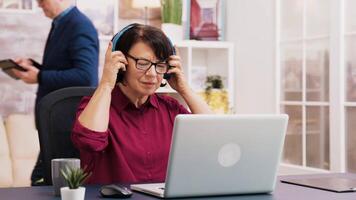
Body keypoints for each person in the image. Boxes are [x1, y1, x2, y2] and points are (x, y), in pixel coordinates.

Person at [71, 24, 212, 184]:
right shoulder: (96, 106)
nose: (152, 74)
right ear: (121, 62)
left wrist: (184, 88)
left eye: (160, 65)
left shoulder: (170, 109)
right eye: (143, 63)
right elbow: (90, 143)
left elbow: (213, 138)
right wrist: (106, 83)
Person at [13, 0, 99, 185]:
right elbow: (63, 68)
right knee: (42, 182)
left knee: (42, 182)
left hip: (67, 126)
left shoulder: (78, 25)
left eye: (42, 0)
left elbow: (85, 77)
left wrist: (40, 76)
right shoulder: (63, 23)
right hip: (58, 126)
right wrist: (34, 68)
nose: (39, 4)